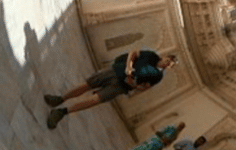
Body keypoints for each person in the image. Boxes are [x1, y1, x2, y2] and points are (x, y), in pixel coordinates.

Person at [45, 50, 178, 129]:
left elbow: (143, 88)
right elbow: (133, 53)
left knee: (94, 100)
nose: (167, 64)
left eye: (170, 65)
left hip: (121, 86)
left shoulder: (158, 76)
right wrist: (129, 67)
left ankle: (61, 112)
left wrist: (132, 84)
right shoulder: (152, 56)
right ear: (165, 57)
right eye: (168, 60)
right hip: (116, 71)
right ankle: (60, 99)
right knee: (87, 85)